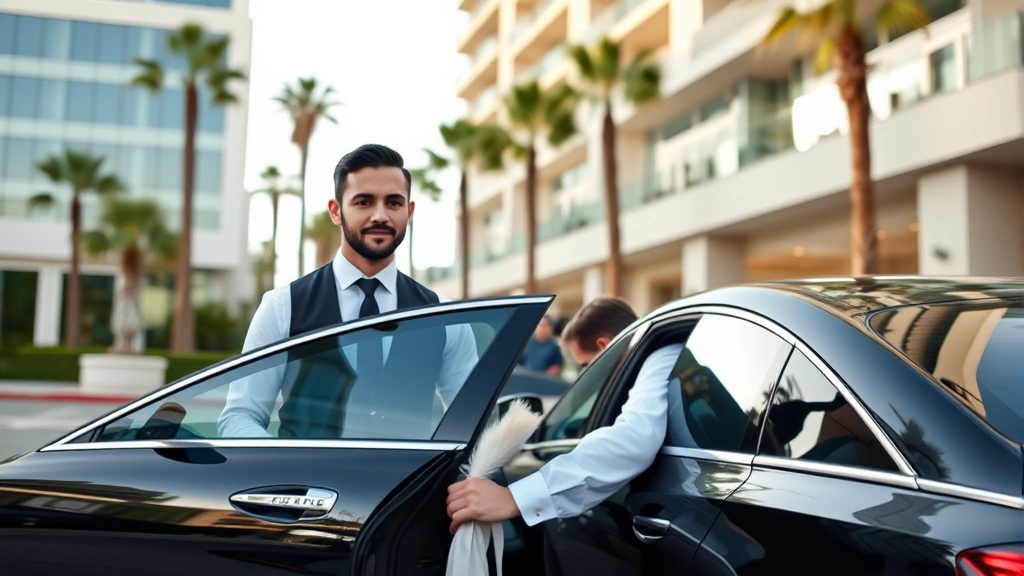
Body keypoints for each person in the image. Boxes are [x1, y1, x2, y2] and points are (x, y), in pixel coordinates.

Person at [218, 144, 477, 438]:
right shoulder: (283, 307)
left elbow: (474, 427)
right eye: (364, 202)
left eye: (393, 203)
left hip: (410, 485)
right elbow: (239, 418)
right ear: (336, 211)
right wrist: (289, 477)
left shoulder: (444, 317)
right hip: (304, 484)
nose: (380, 216)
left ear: (409, 211)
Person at [446, 296, 685, 533]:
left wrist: (513, 498)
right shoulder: (675, 357)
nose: (589, 375)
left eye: (585, 365)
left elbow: (635, 437)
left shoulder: (661, 356)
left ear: (604, 346)